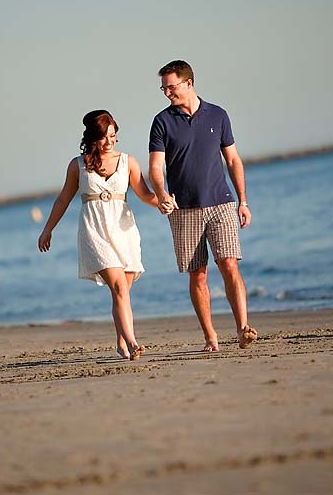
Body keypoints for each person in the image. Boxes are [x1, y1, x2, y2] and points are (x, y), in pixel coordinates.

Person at [38, 110, 174, 360]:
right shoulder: (77, 165)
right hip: (95, 231)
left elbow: (144, 194)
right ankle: (133, 343)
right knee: (120, 286)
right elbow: (63, 199)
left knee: (122, 290)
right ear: (92, 138)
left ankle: (121, 342)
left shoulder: (128, 162)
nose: (110, 141)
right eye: (104, 137)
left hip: (124, 230)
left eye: (113, 135)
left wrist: (163, 202)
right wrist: (48, 229)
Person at [148, 60, 258, 352]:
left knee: (229, 264)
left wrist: (243, 201)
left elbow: (233, 160)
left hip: (221, 203)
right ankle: (211, 337)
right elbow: (156, 168)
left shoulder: (218, 115)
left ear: (189, 82)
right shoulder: (162, 122)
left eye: (171, 87)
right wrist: (161, 194)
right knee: (198, 274)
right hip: (183, 210)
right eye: (164, 88)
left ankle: (243, 328)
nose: (167, 93)